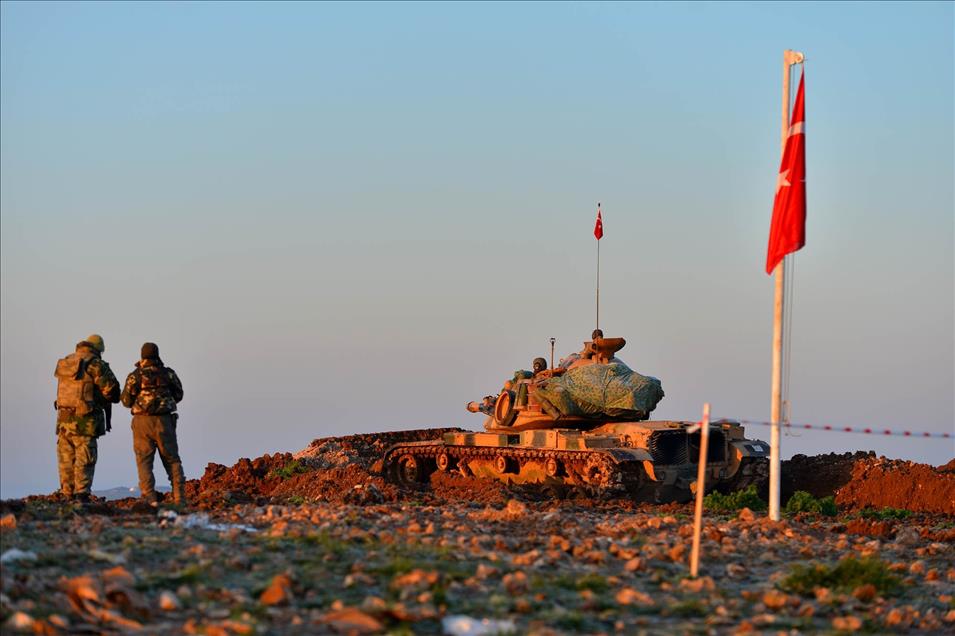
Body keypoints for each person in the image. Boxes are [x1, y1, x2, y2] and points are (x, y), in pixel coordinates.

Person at [53, 334, 120, 502]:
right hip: (86, 421)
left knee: (66, 459)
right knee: (85, 458)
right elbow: (112, 391)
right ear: (98, 349)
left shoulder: (67, 361)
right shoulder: (95, 364)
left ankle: (67, 494)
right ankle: (81, 497)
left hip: (63, 420)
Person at [120, 342, 186, 506]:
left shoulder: (135, 375)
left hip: (142, 422)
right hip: (164, 421)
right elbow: (179, 394)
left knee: (144, 461)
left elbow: (126, 401)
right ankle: (179, 498)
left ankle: (149, 499)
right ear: (157, 354)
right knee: (172, 460)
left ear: (142, 356)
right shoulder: (168, 373)